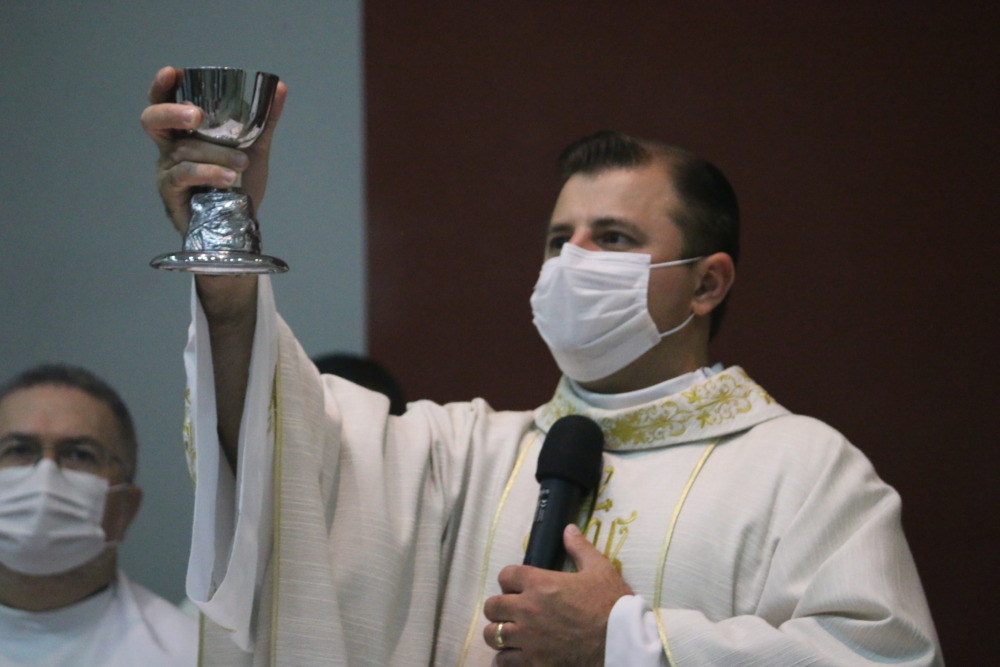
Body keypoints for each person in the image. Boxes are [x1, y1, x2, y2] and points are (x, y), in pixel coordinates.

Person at [142, 65, 942, 665]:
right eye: (560, 240)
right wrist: (224, 232)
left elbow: (885, 656)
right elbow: (279, 449)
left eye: (613, 238)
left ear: (707, 283)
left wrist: (627, 641)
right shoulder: (470, 457)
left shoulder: (802, 470)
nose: (572, 261)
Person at [0, 364, 197, 666]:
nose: (45, 477)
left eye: (80, 454)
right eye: (18, 450)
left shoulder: (192, 655)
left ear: (125, 508)